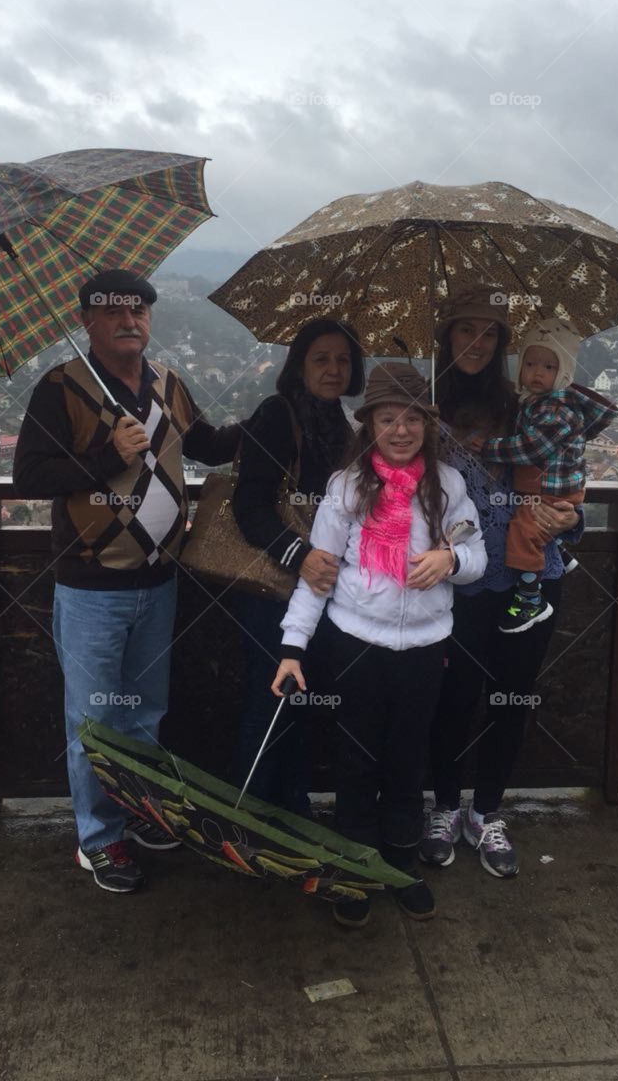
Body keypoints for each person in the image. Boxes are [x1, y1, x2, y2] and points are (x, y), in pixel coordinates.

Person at [12, 268, 241, 893]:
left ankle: (139, 812)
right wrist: (109, 455)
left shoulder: (168, 383)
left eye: (139, 310)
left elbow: (209, 446)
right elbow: (29, 478)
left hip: (162, 579)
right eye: (113, 312)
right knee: (94, 720)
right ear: (87, 320)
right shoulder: (60, 388)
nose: (129, 320)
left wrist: (273, 421)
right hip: (91, 588)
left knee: (144, 713)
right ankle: (98, 840)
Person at [271, 362, 487, 929]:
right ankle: (353, 866)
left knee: (407, 759)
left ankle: (399, 864)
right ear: (369, 425)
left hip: (424, 647)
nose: (400, 430)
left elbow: (478, 558)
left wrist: (451, 559)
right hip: (356, 643)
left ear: (428, 426)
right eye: (388, 418)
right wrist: (293, 646)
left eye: (413, 419)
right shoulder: (347, 488)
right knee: (355, 761)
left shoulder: (449, 486)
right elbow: (318, 574)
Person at [419, 288, 583, 880]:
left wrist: (571, 517)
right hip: (456, 582)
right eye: (466, 329)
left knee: (511, 697)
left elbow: (566, 483)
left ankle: (486, 811)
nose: (477, 343)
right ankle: (442, 806)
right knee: (453, 697)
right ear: (447, 337)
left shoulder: (531, 405)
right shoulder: (425, 406)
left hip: (528, 575)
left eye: (490, 333)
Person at [231, 318, 364, 815]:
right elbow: (250, 505)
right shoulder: (277, 415)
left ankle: (290, 805)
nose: (334, 370)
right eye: (321, 359)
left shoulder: (344, 425)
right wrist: (300, 555)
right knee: (269, 702)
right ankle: (251, 812)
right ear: (299, 366)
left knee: (299, 702)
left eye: (343, 360)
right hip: (275, 588)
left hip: (319, 589)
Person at [479, 318, 617, 634]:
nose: (537, 372)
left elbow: (531, 448)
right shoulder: (534, 402)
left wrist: (489, 448)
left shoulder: (557, 408)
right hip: (541, 488)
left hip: (551, 490)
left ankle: (530, 599)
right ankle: (557, 552)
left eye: (548, 367)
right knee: (531, 521)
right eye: (529, 363)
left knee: (526, 530)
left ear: (564, 373)